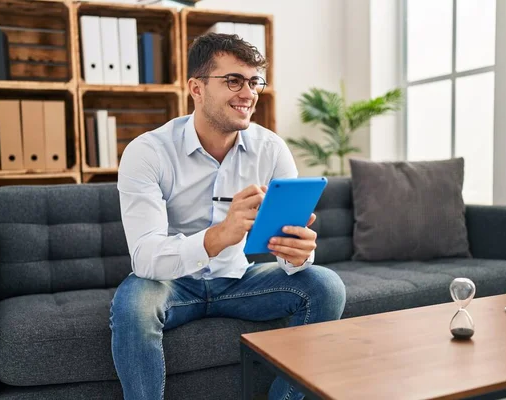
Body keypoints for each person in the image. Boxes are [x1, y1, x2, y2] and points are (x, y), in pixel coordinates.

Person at [110, 32, 346, 400]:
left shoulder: (270, 149)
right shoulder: (147, 152)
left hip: (239, 280)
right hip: (171, 284)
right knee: (133, 303)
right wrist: (221, 234)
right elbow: (144, 257)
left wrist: (298, 252)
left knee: (325, 285)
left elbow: (288, 249)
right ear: (196, 88)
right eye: (233, 80)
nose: (248, 93)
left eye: (254, 82)